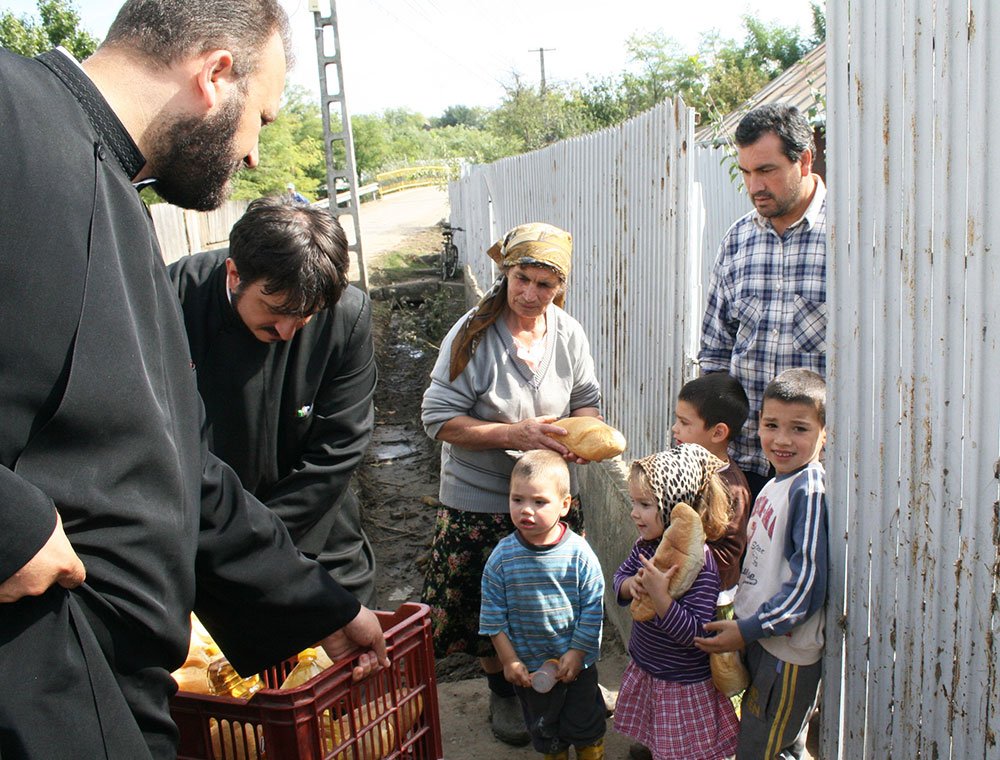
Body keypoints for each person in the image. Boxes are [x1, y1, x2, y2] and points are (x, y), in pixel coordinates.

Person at [0, 2, 386, 758]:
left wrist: (317, 605)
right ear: (214, 75)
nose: (254, 156)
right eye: (261, 121)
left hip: (105, 678)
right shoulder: (12, 117)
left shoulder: (118, 199)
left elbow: (175, 465)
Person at [421, 222, 603, 745]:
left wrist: (581, 437)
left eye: (544, 285)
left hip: (549, 498)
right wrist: (514, 433)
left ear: (559, 287)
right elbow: (437, 418)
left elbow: (586, 399)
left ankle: (560, 680)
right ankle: (503, 691)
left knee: (552, 597)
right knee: (487, 599)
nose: (530, 293)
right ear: (506, 273)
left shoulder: (568, 334)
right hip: (479, 498)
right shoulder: (472, 335)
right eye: (522, 279)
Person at [168, 196, 378, 605]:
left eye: (306, 316)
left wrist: (260, 549)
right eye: (274, 310)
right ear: (234, 274)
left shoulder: (347, 315)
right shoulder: (172, 297)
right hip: (200, 541)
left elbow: (338, 448)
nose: (286, 332)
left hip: (315, 537)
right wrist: (223, 548)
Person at [694, 369, 829, 760]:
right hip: (762, 639)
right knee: (767, 740)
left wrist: (746, 630)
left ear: (825, 434)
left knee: (762, 747)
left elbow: (807, 585)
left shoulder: (809, 490)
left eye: (799, 428)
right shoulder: (777, 481)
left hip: (786, 653)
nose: (782, 440)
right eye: (772, 425)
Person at [699, 102, 827, 504]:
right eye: (746, 172)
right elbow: (715, 354)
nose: (755, 186)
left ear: (803, 161)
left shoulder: (850, 236)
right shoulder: (737, 240)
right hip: (746, 468)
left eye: (766, 170)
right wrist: (717, 456)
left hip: (823, 472)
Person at [613, 445, 739, 760]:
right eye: (634, 502)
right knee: (658, 733)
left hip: (680, 681)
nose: (634, 512)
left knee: (681, 749)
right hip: (649, 666)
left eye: (645, 504)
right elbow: (620, 577)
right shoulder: (647, 545)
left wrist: (660, 597)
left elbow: (696, 633)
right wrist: (630, 585)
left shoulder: (700, 564)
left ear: (676, 506)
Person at [480, 450, 606, 760]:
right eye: (517, 499)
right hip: (530, 669)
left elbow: (593, 609)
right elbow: (493, 617)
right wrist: (509, 660)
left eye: (539, 501)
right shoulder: (501, 558)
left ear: (564, 505)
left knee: (586, 726)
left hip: (576, 666)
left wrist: (578, 652)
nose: (526, 510)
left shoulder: (579, 554)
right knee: (545, 732)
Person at [671, 372, 752, 593]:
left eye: (684, 422)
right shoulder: (679, 465)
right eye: (677, 419)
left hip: (711, 597)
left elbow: (729, 553)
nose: (675, 428)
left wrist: (681, 555)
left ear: (718, 432)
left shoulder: (733, 488)